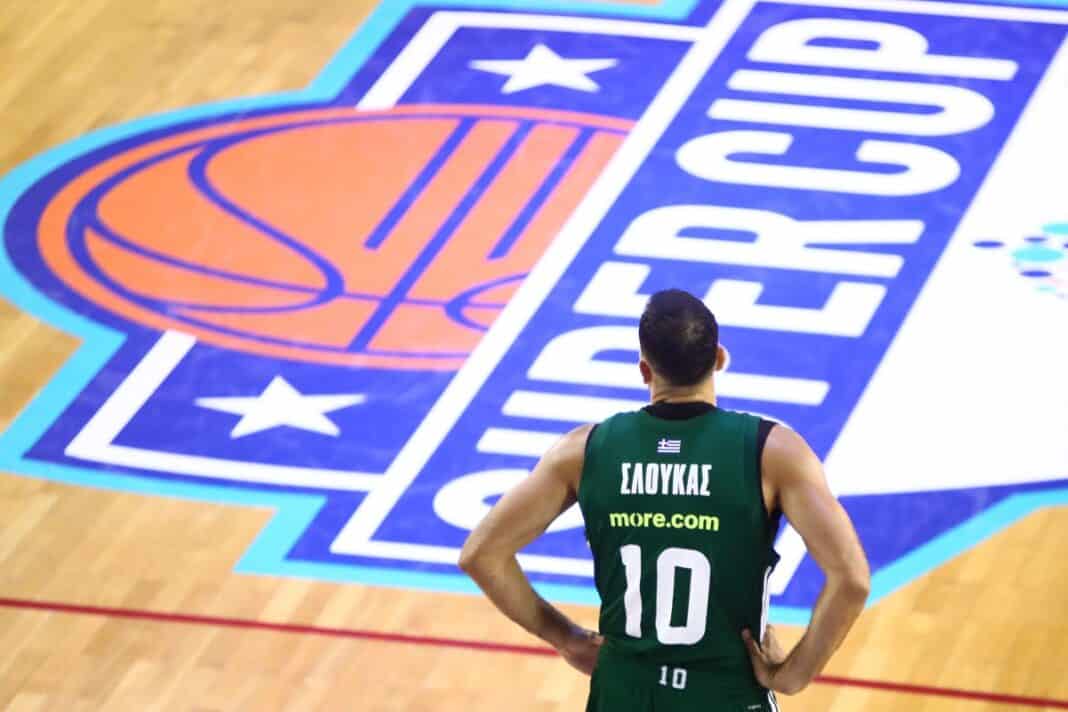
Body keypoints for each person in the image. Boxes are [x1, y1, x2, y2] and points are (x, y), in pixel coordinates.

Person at [459, 289, 869, 711]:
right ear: (719, 358)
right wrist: (793, 674)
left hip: (623, 696)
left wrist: (568, 639)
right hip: (726, 695)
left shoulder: (582, 451)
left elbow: (482, 555)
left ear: (644, 370)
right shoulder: (773, 452)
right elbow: (851, 580)